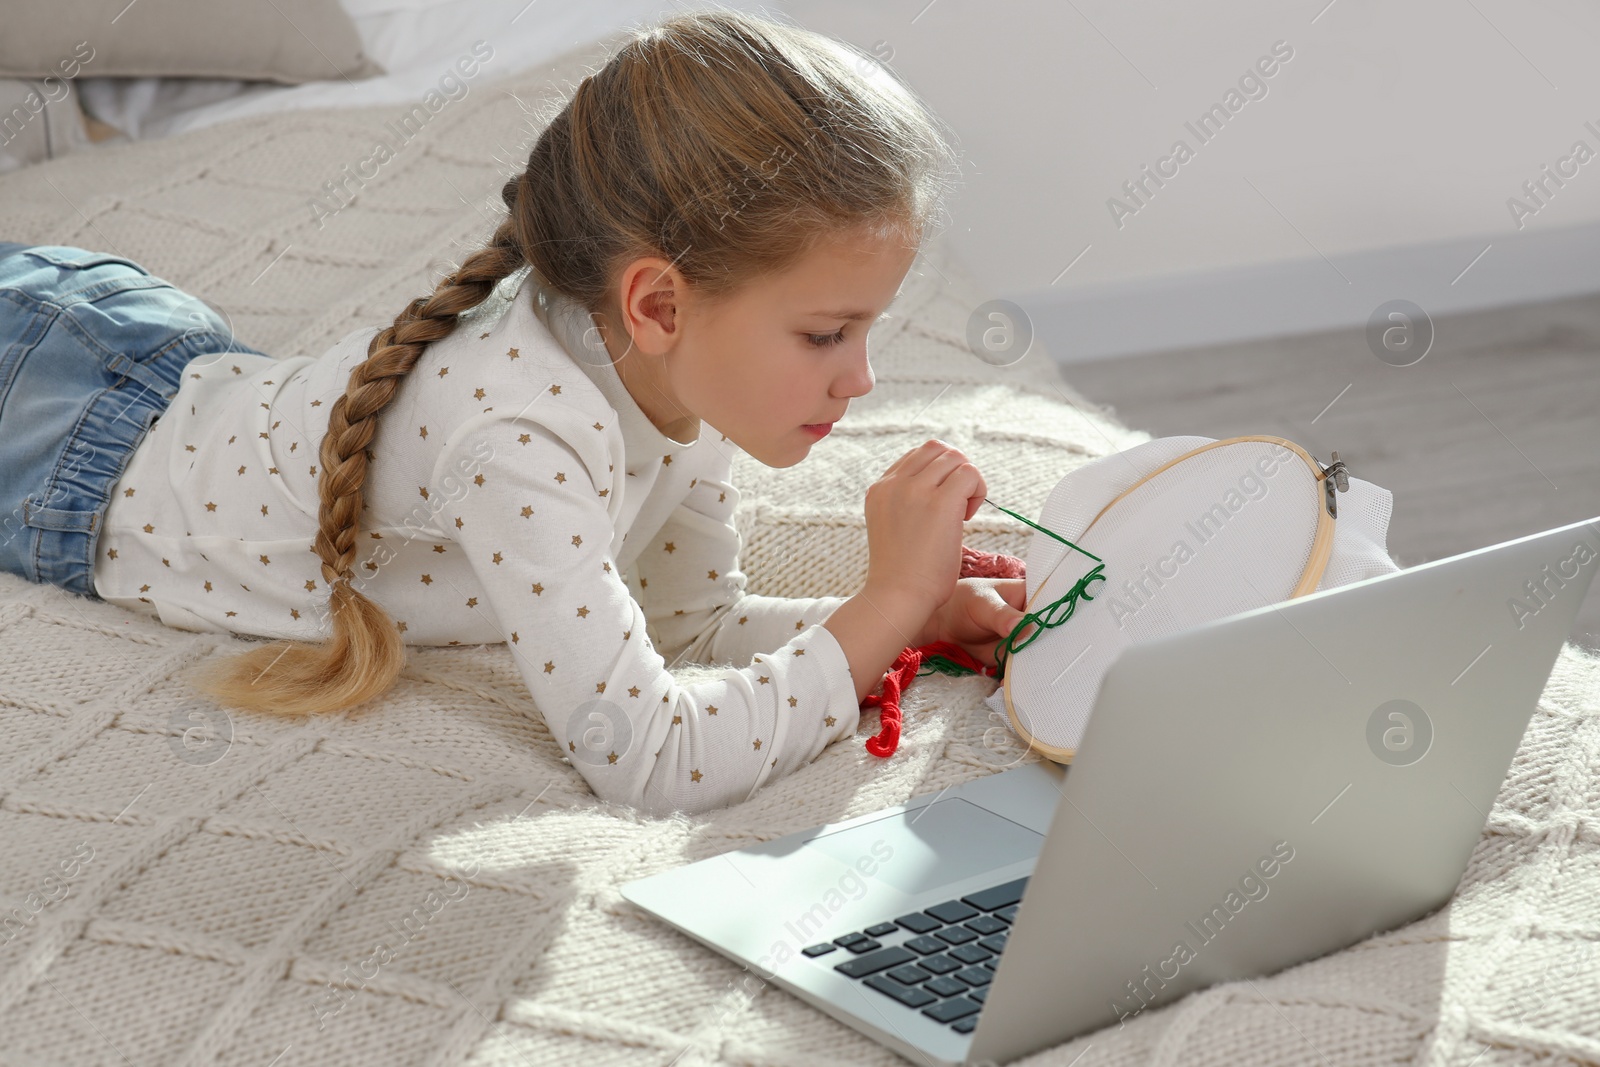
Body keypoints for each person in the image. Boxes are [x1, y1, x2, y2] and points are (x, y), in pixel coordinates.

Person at [0, 11, 1026, 813]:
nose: (861, 380)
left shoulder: (679, 380)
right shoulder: (518, 437)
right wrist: (881, 606)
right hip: (57, 435)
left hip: (143, 357)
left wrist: (899, 615)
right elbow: (649, 755)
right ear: (658, 304)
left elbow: (685, 626)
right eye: (825, 335)